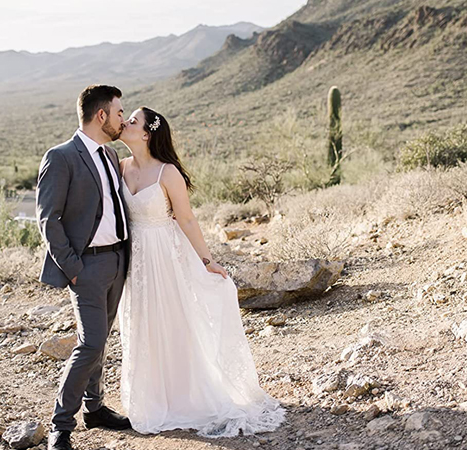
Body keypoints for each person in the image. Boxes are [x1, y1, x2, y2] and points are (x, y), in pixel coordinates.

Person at [117, 106, 286, 438]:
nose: (124, 123)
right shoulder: (119, 167)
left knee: (172, 322)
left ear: (147, 134)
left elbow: (187, 219)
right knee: (142, 325)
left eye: (132, 121)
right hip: (135, 261)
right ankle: (153, 397)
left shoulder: (168, 173)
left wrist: (207, 261)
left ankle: (188, 396)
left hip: (164, 257)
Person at [36, 85, 132, 450]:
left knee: (102, 339)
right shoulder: (61, 156)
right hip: (86, 266)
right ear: (101, 115)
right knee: (90, 343)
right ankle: (62, 425)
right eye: (119, 112)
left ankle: (95, 409)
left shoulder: (108, 155)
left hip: (117, 259)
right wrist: (73, 268)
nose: (123, 119)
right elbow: (48, 219)